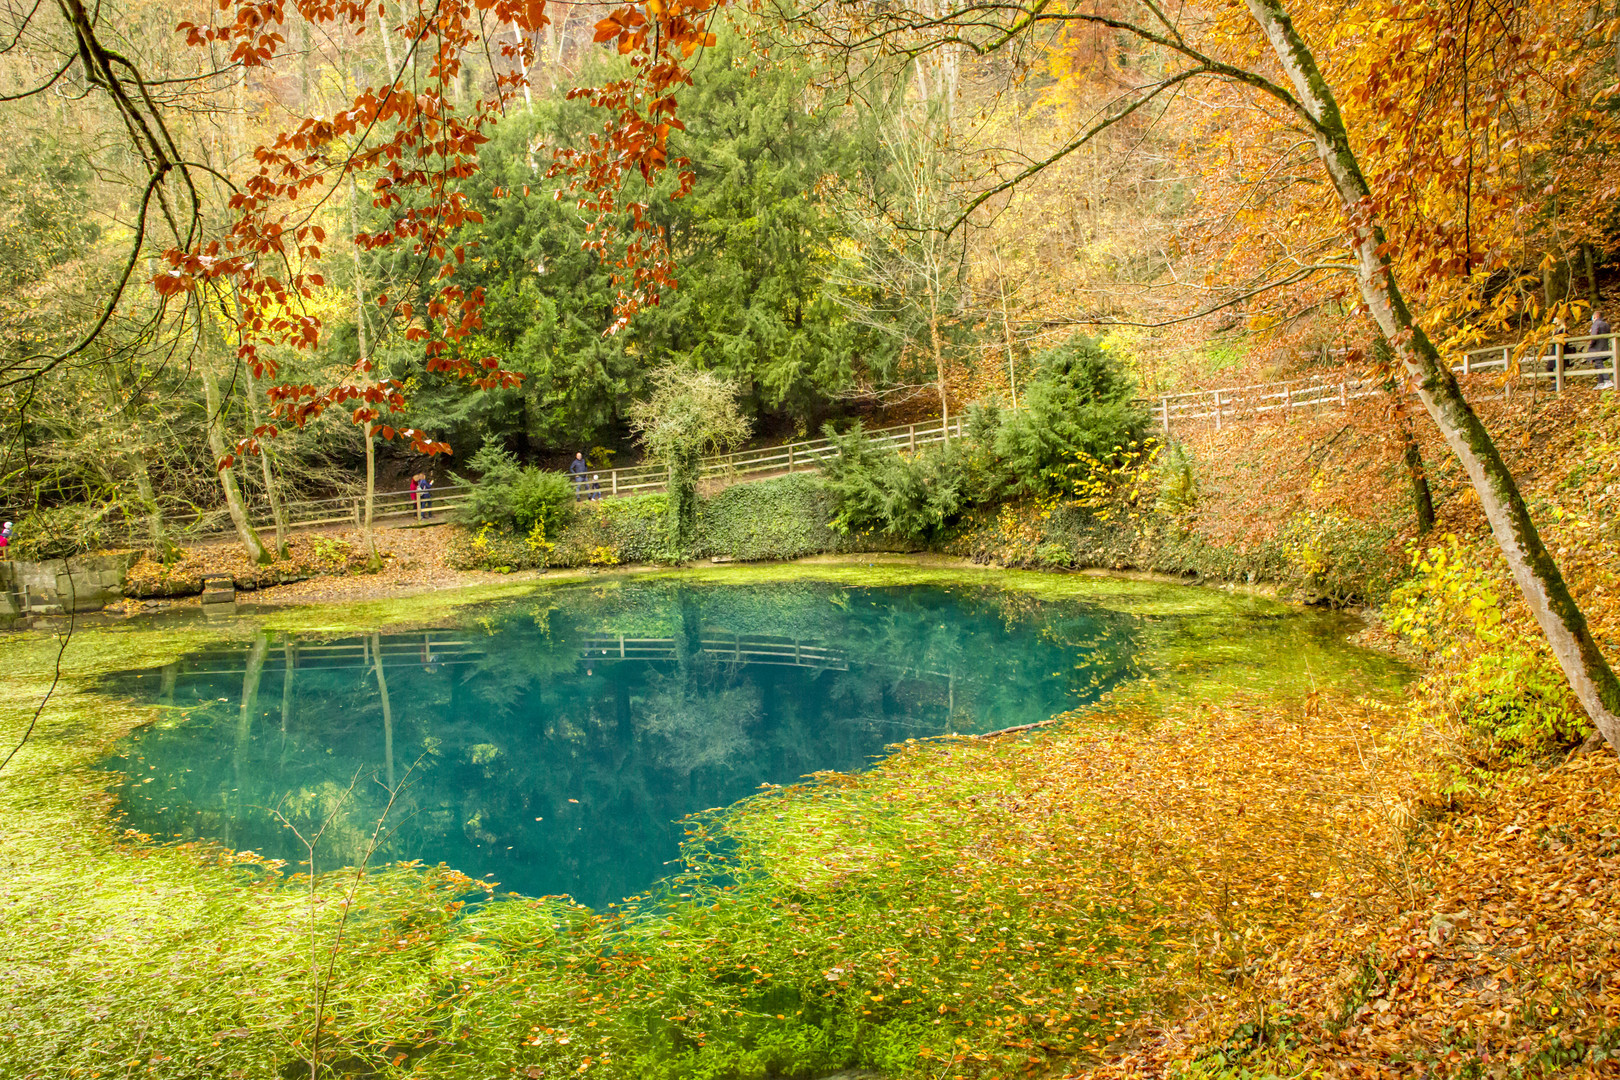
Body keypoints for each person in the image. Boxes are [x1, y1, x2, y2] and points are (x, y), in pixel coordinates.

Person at [1593, 311, 1615, 387]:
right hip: (1604, 346)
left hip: (1597, 347)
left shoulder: (1596, 324)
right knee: (1598, 364)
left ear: (1595, 317)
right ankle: (1600, 382)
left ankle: (1607, 380)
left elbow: (1594, 336)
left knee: (1599, 363)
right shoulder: (1606, 324)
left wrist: (1591, 345)